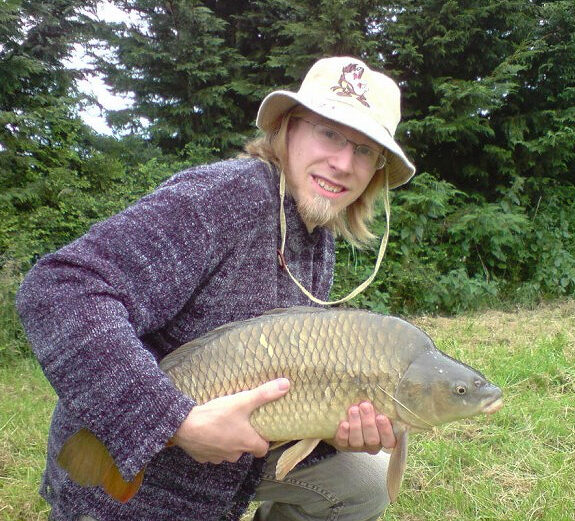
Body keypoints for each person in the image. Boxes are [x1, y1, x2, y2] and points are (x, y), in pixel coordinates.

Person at [16, 56, 415, 521]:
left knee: (365, 479)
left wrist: (333, 421)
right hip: (135, 483)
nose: (344, 163)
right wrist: (174, 421)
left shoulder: (313, 229)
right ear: (287, 128)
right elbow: (58, 289)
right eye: (329, 133)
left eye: (365, 150)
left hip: (232, 469)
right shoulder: (223, 198)